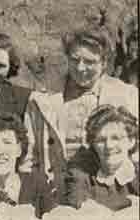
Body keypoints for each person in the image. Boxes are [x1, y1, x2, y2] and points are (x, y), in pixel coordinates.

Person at [26, 26, 139, 203]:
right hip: (56, 193)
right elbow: (29, 156)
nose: (81, 68)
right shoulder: (42, 98)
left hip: (110, 192)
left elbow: (136, 151)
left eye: (89, 62)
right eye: (75, 60)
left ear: (104, 63)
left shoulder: (127, 96)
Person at [66, 105, 138, 211]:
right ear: (93, 144)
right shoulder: (80, 177)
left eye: (116, 138)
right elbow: (79, 213)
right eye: (101, 140)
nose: (109, 145)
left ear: (131, 141)